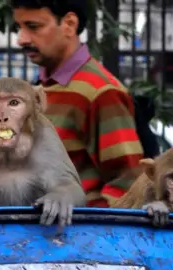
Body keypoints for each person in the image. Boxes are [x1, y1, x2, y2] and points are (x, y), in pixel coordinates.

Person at [11, 0, 145, 207]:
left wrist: (90, 231)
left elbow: (128, 181)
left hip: (75, 234)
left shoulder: (100, 91)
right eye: (19, 27)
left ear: (69, 24)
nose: (22, 39)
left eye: (33, 27)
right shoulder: (40, 87)